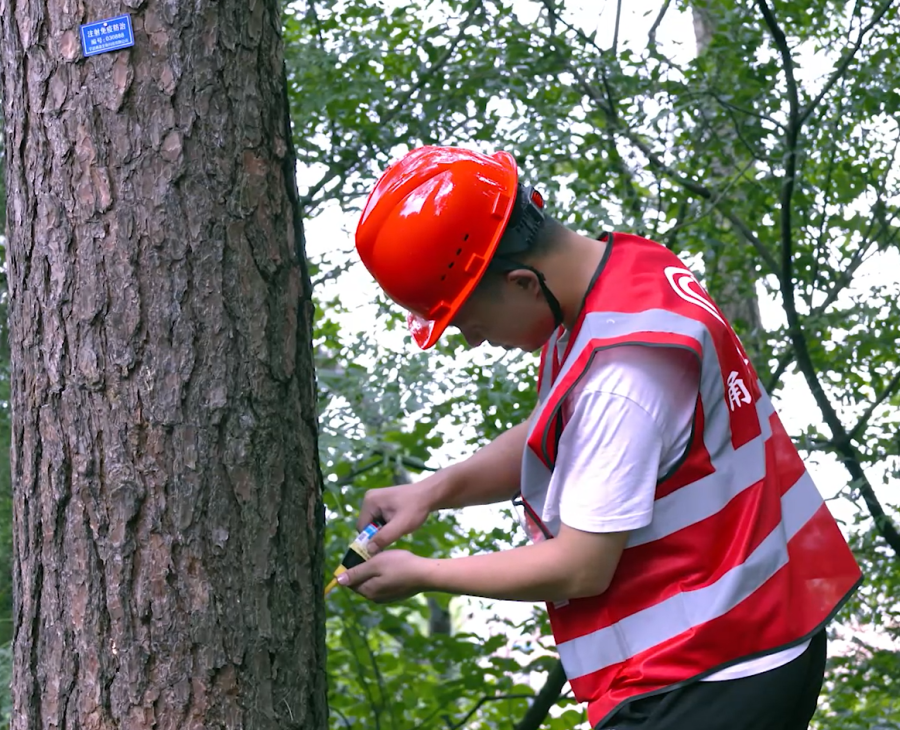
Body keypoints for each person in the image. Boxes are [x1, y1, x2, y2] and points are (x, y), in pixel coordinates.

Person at [336, 145, 862, 730]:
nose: (473, 340)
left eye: (468, 321)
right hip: (745, 632)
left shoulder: (623, 375)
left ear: (521, 282)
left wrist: (426, 573)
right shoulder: (621, 277)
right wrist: (433, 491)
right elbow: (570, 429)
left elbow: (581, 566)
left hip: (710, 671)